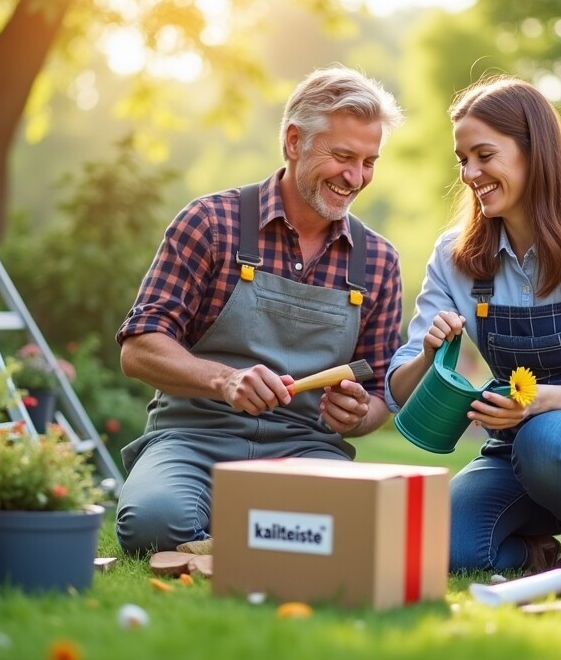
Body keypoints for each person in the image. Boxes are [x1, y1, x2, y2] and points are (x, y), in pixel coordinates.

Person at [385, 76, 561, 586]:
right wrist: (430, 355)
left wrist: (536, 402)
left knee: (547, 436)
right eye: (462, 159)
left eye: (484, 155)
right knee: (446, 547)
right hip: (516, 454)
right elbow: (399, 392)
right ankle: (536, 549)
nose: (471, 173)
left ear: (533, 152)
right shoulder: (454, 258)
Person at [115, 66, 405, 556]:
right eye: (343, 156)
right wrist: (223, 381)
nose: (356, 178)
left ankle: (237, 528)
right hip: (192, 436)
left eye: (369, 161)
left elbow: (378, 396)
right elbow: (140, 347)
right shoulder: (211, 222)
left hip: (305, 448)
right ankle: (254, 526)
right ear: (294, 142)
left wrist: (356, 415)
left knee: (361, 529)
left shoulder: (378, 261)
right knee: (154, 524)